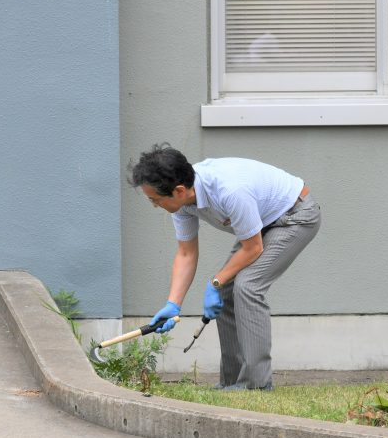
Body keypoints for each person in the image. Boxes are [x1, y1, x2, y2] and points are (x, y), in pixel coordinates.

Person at [128, 143, 321, 391]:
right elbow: (186, 253)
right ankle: (232, 382)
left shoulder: (229, 191)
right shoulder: (183, 202)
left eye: (155, 200)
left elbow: (253, 248)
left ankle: (256, 385)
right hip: (264, 221)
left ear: (177, 190)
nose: (154, 205)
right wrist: (173, 304)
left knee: (248, 286)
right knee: (226, 288)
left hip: (294, 216)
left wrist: (214, 281)